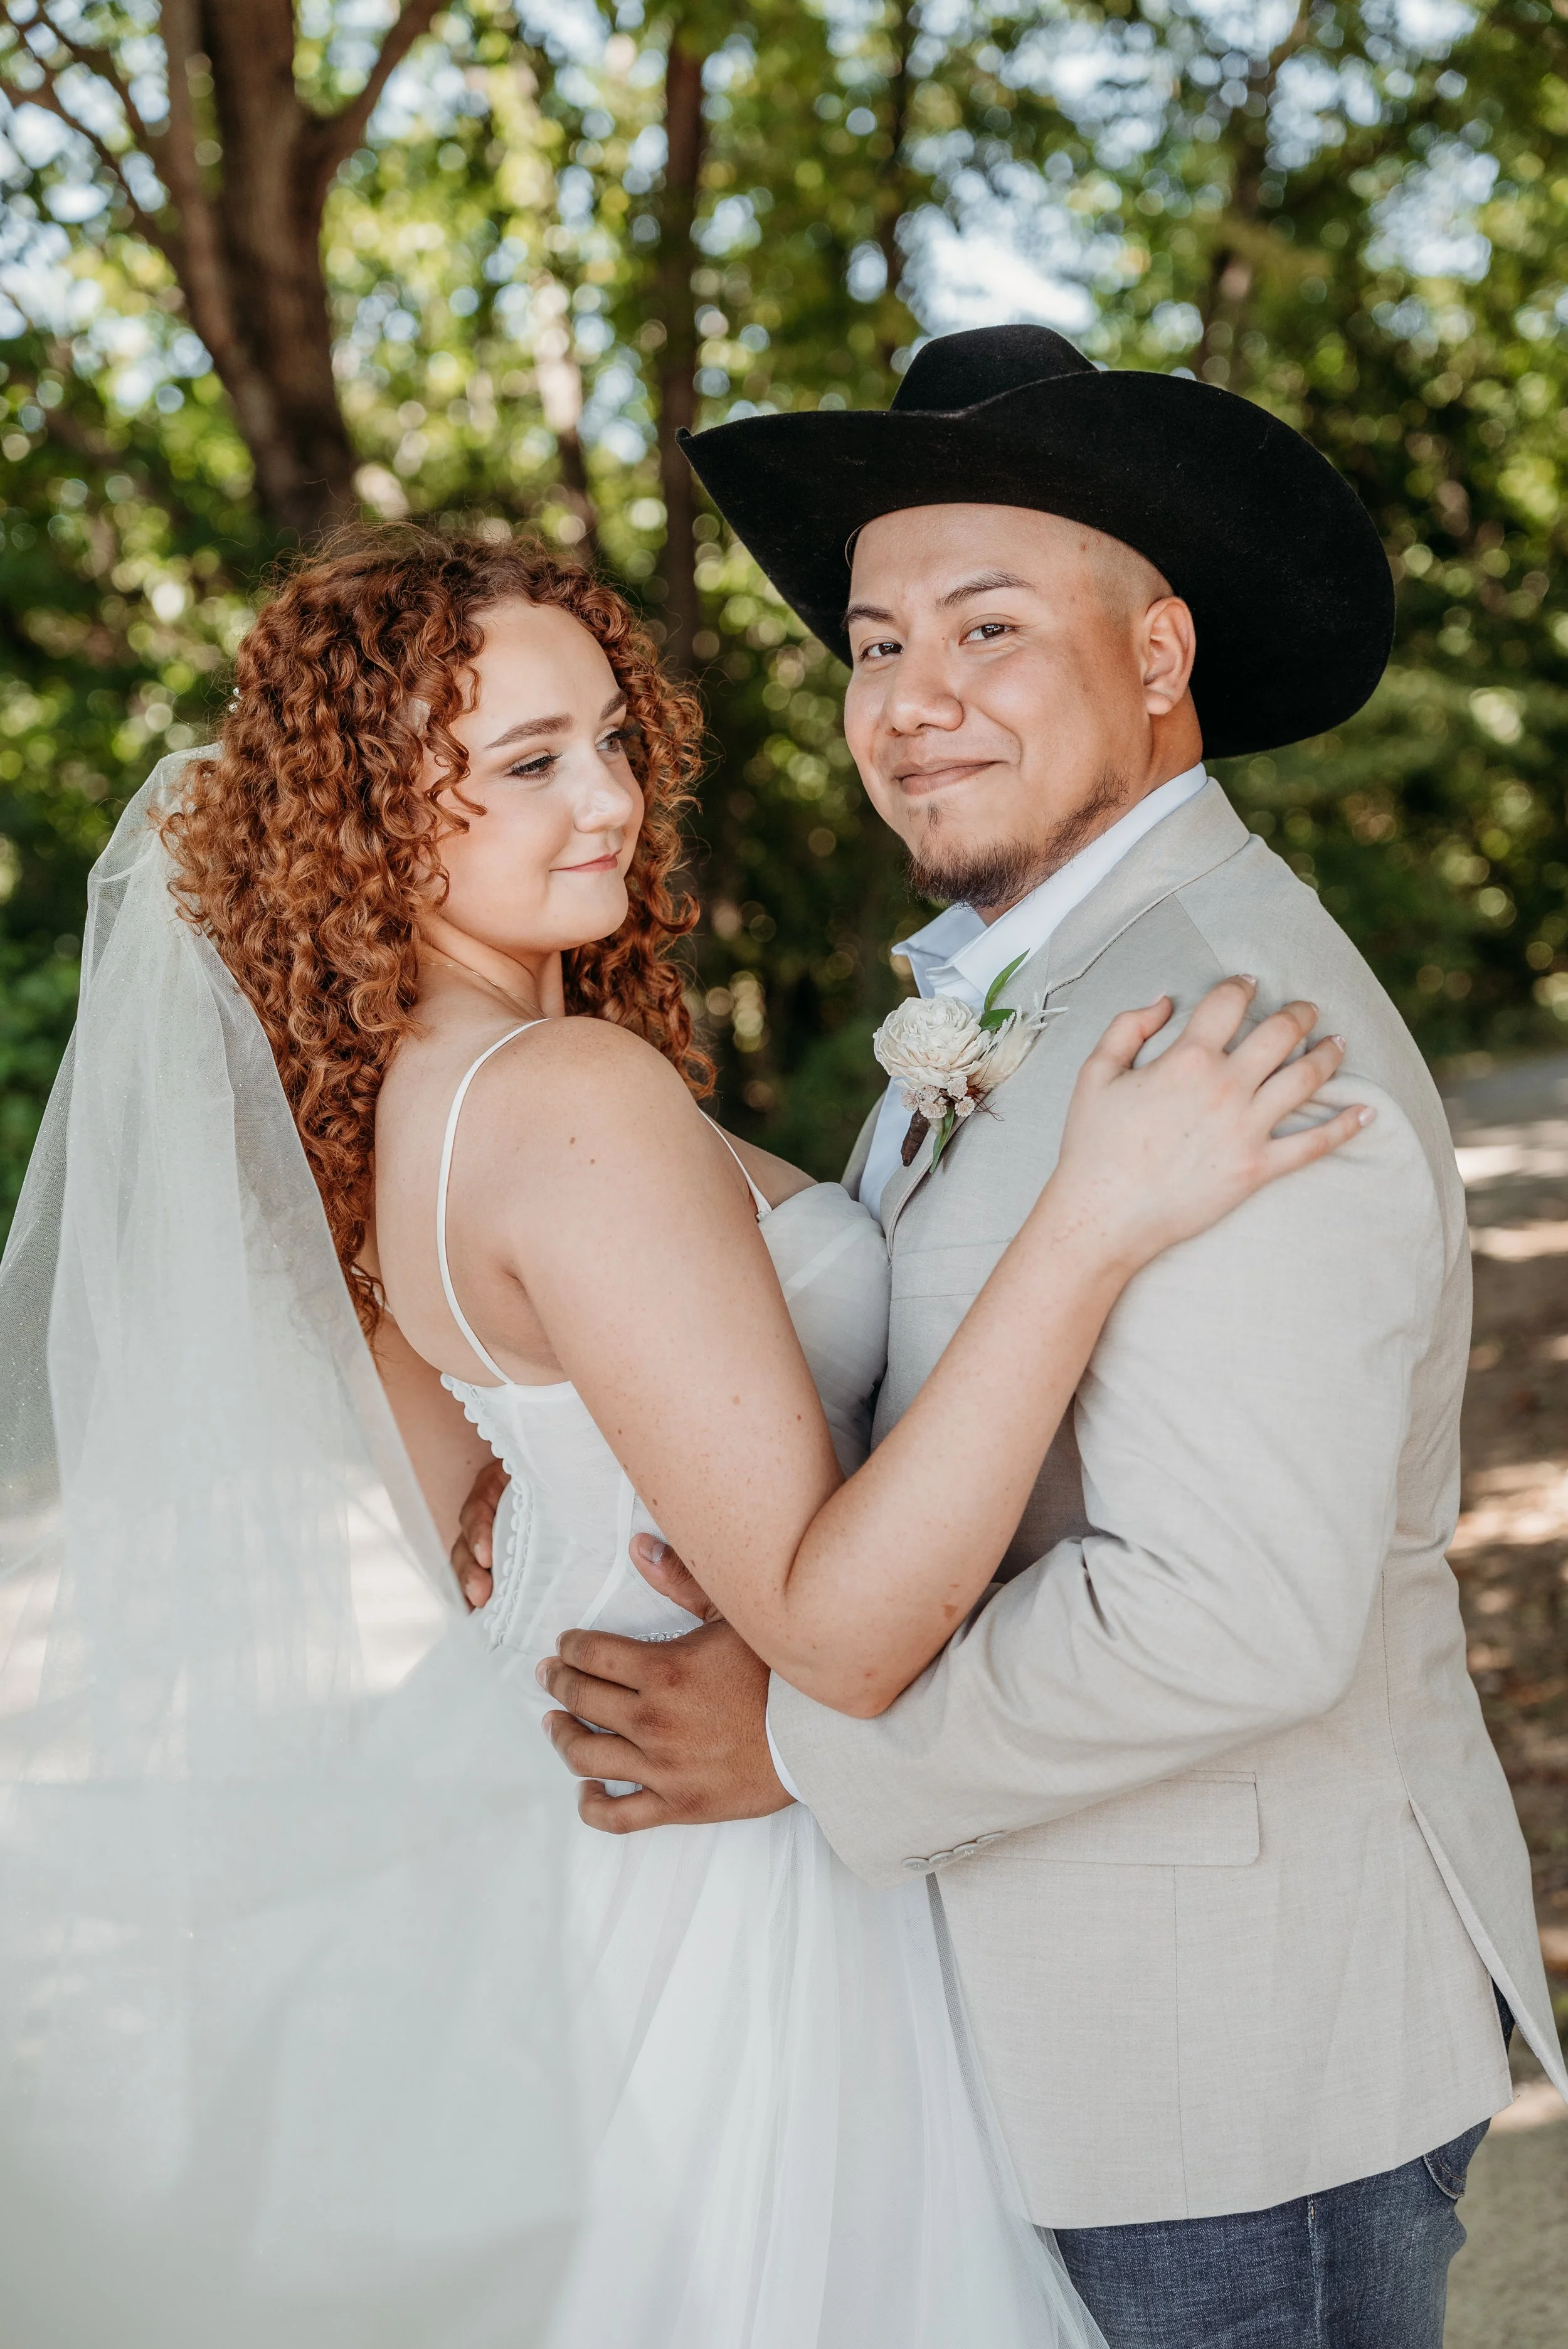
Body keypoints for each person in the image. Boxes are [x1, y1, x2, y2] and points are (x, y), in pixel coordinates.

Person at [0, 524, 1360, 2349]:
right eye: (526, 765)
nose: (609, 802)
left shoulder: (400, 1096)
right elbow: (837, 1625)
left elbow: (457, 1500)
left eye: (615, 742)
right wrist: (1092, 1217)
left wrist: (553, 1504)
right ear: (377, 814)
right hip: (728, 1868)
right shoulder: (565, 1094)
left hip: (586, 1832)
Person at [482, 326, 1568, 2349]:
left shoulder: (1238, 1027)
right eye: (877, 645)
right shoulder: (1023, 988)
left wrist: (797, 1740)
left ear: (1156, 654)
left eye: (986, 628)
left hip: (1228, 2079)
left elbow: (1226, 1619)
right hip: (1052, 2031)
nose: (910, 702)